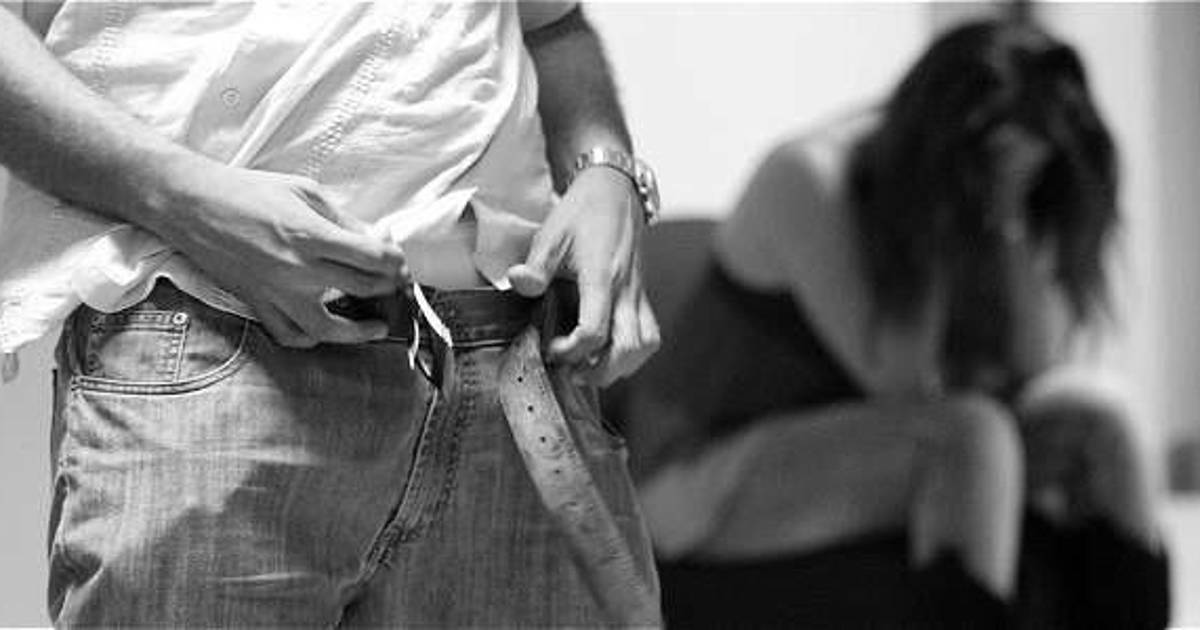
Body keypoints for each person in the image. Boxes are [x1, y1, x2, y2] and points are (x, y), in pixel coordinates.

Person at [0, 1, 662, 626]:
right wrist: (181, 199)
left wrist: (605, 169)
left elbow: (552, 25)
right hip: (216, 336)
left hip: (518, 368)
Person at [621, 19, 1169, 628]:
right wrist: (944, 208)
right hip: (699, 478)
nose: (1003, 190)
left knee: (1103, 415)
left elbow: (1035, 363)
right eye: (996, 165)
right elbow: (903, 384)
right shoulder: (806, 177)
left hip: (863, 452)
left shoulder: (1000, 208)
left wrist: (1015, 215)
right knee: (970, 436)